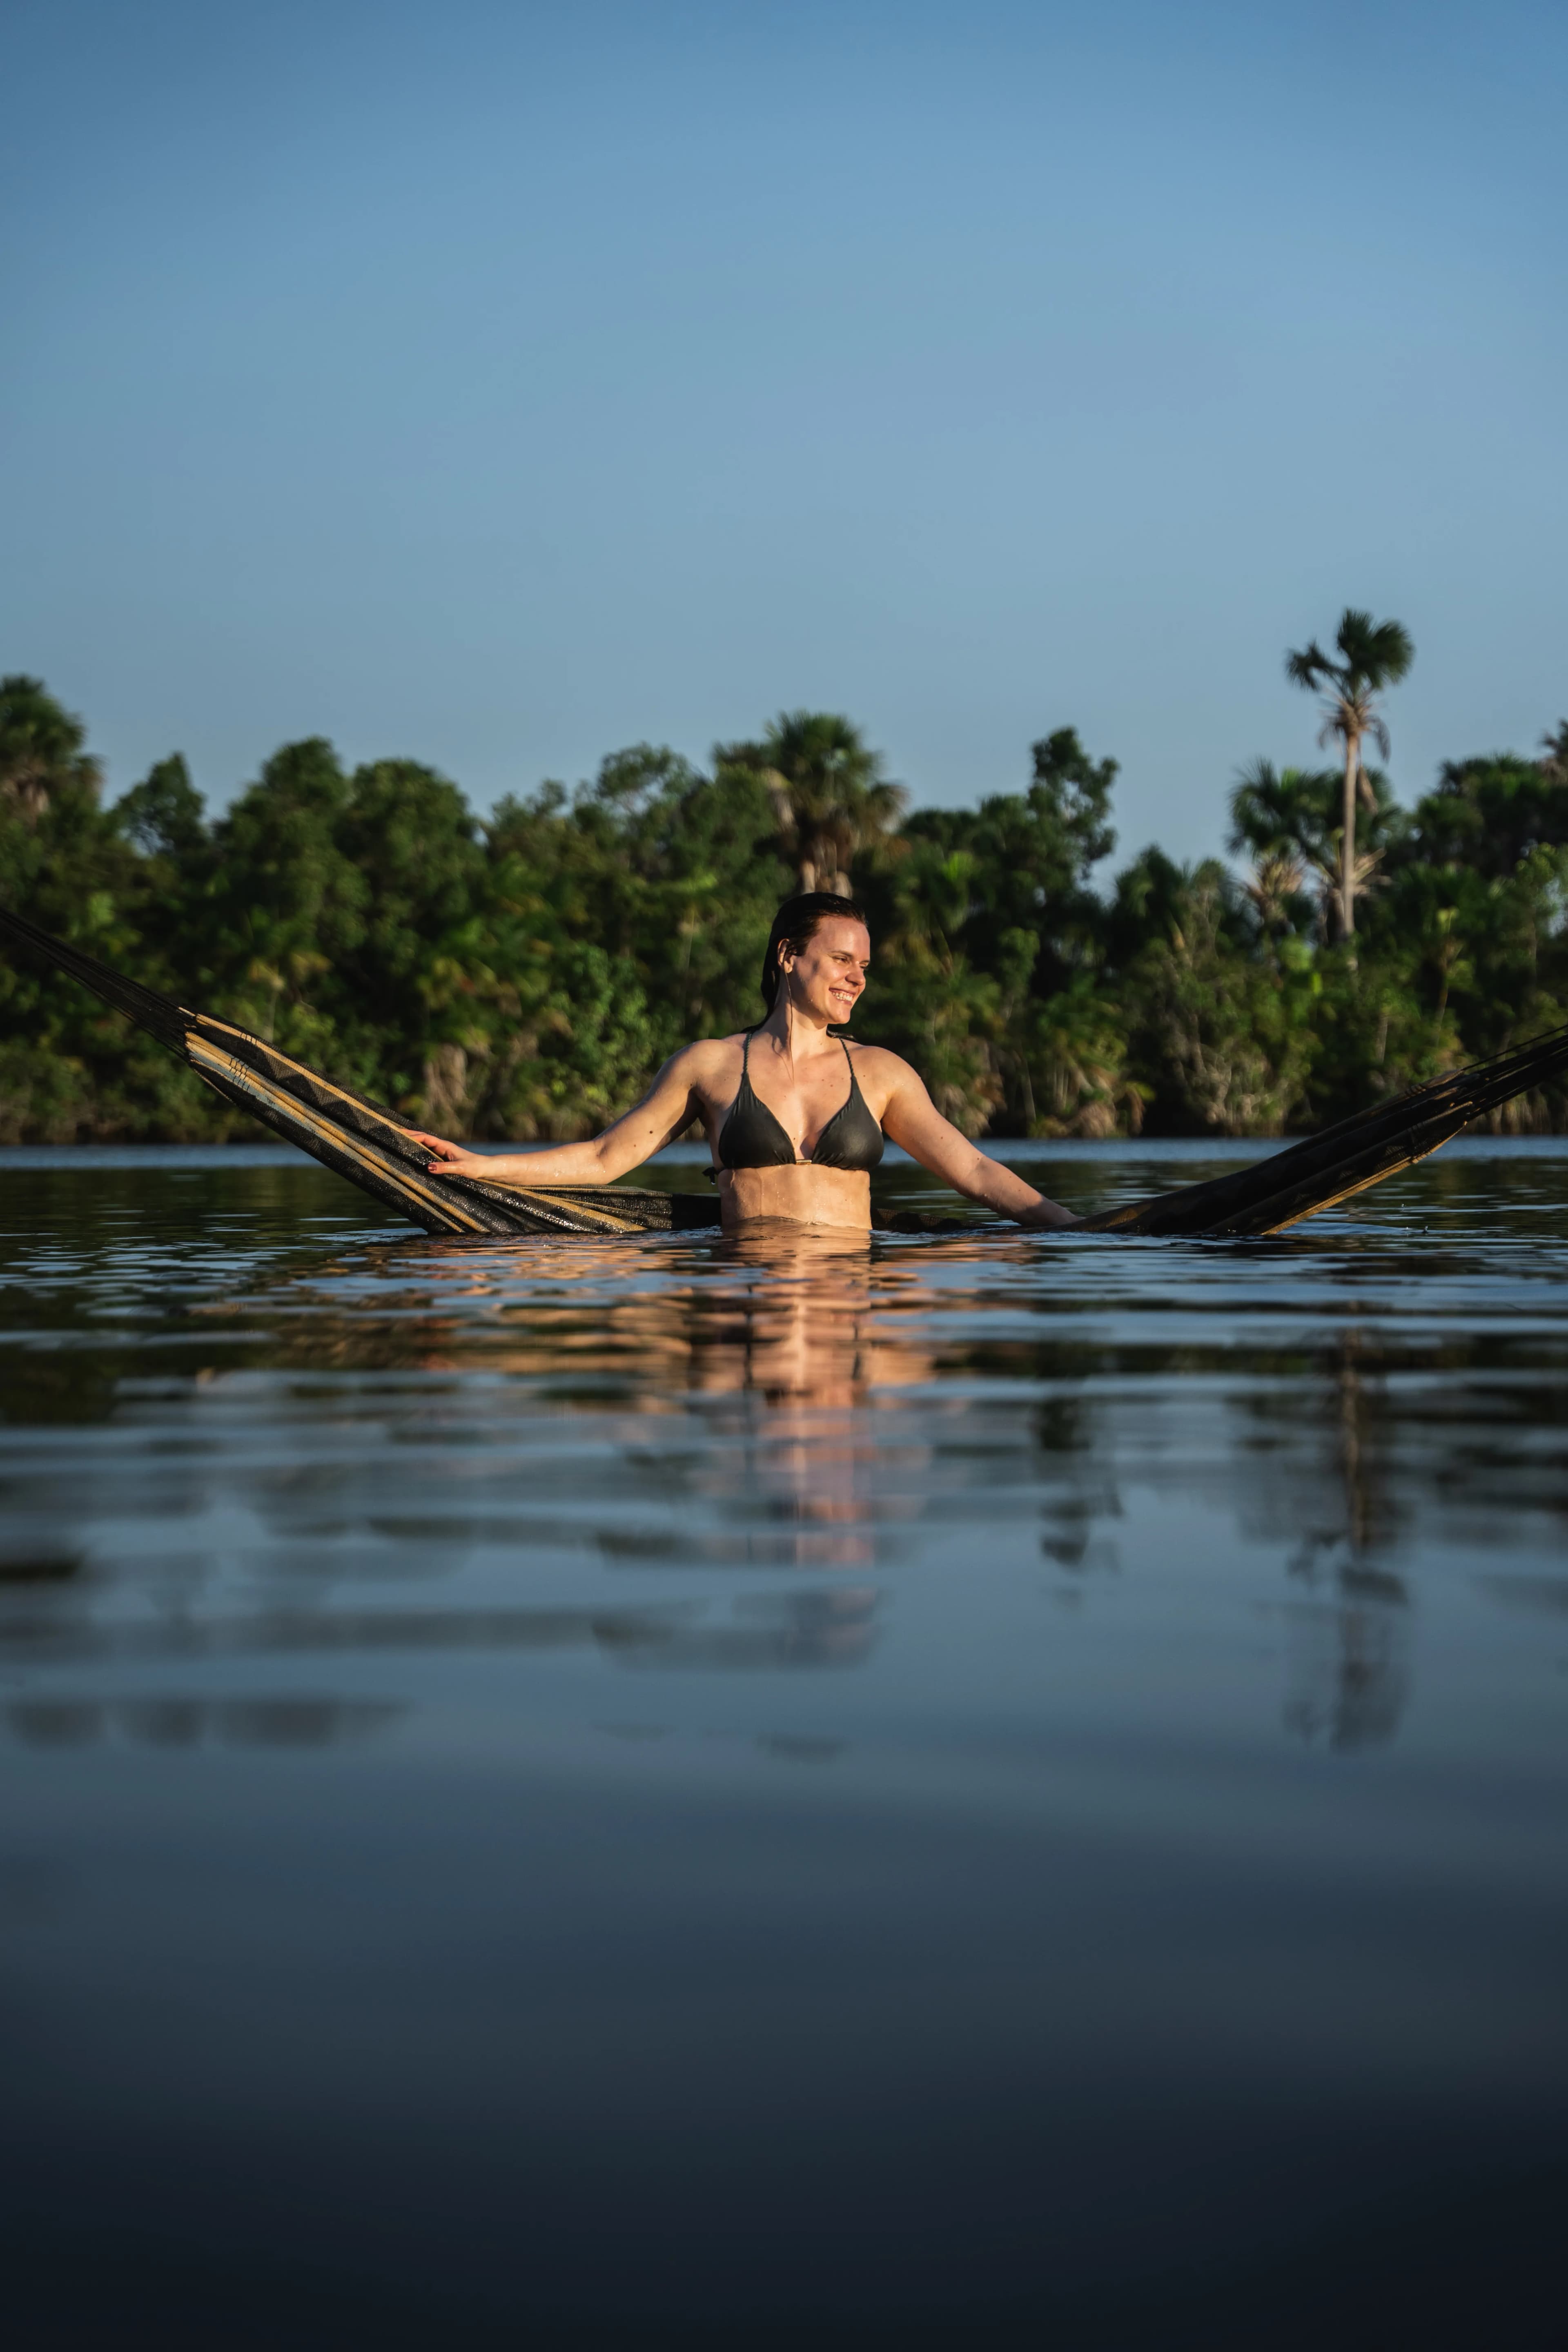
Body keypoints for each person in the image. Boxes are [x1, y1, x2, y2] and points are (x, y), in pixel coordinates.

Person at [413, 893, 1079, 1234]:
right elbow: (603, 1159)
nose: (857, 979)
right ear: (789, 955)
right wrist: (481, 1167)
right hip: (747, 1289)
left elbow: (975, 1171)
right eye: (842, 960)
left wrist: (1082, 1233)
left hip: (855, 1287)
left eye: (865, 967)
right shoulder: (709, 1064)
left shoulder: (881, 1073)